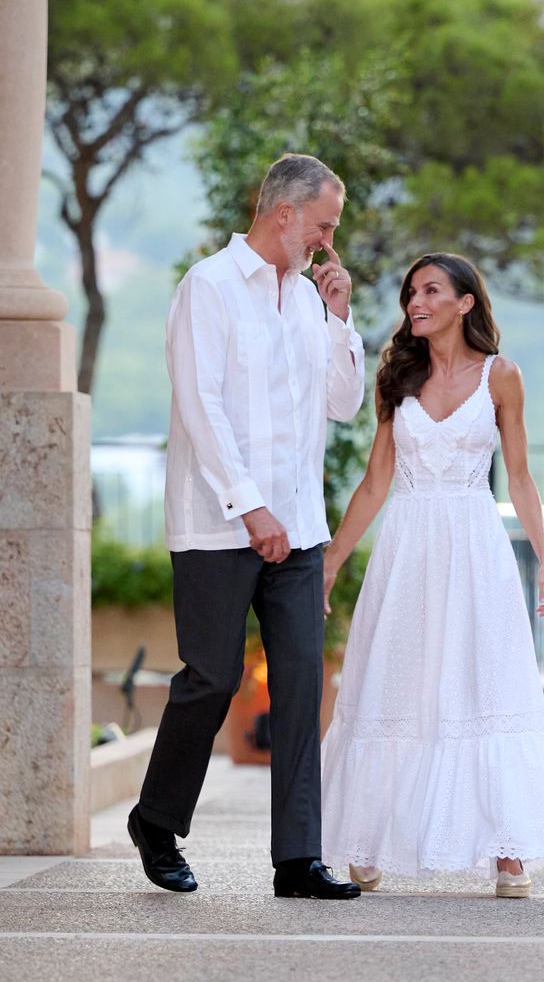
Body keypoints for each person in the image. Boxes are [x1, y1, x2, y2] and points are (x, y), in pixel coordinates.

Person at [128, 153, 365, 900]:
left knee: (301, 681)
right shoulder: (208, 286)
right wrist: (248, 504)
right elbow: (201, 405)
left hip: (298, 527)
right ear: (284, 213)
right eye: (324, 226)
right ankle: (157, 821)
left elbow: (344, 403)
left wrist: (340, 319)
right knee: (213, 677)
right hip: (216, 525)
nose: (329, 242)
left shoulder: (306, 299)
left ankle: (298, 859)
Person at [321, 252, 544, 898]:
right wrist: (329, 563)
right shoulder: (396, 378)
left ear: (465, 302)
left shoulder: (501, 377)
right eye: (412, 292)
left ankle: (509, 849)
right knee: (392, 683)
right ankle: (368, 836)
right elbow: (376, 482)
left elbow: (518, 476)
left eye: (431, 290)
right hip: (406, 550)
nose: (416, 301)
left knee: (485, 685)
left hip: (474, 550)